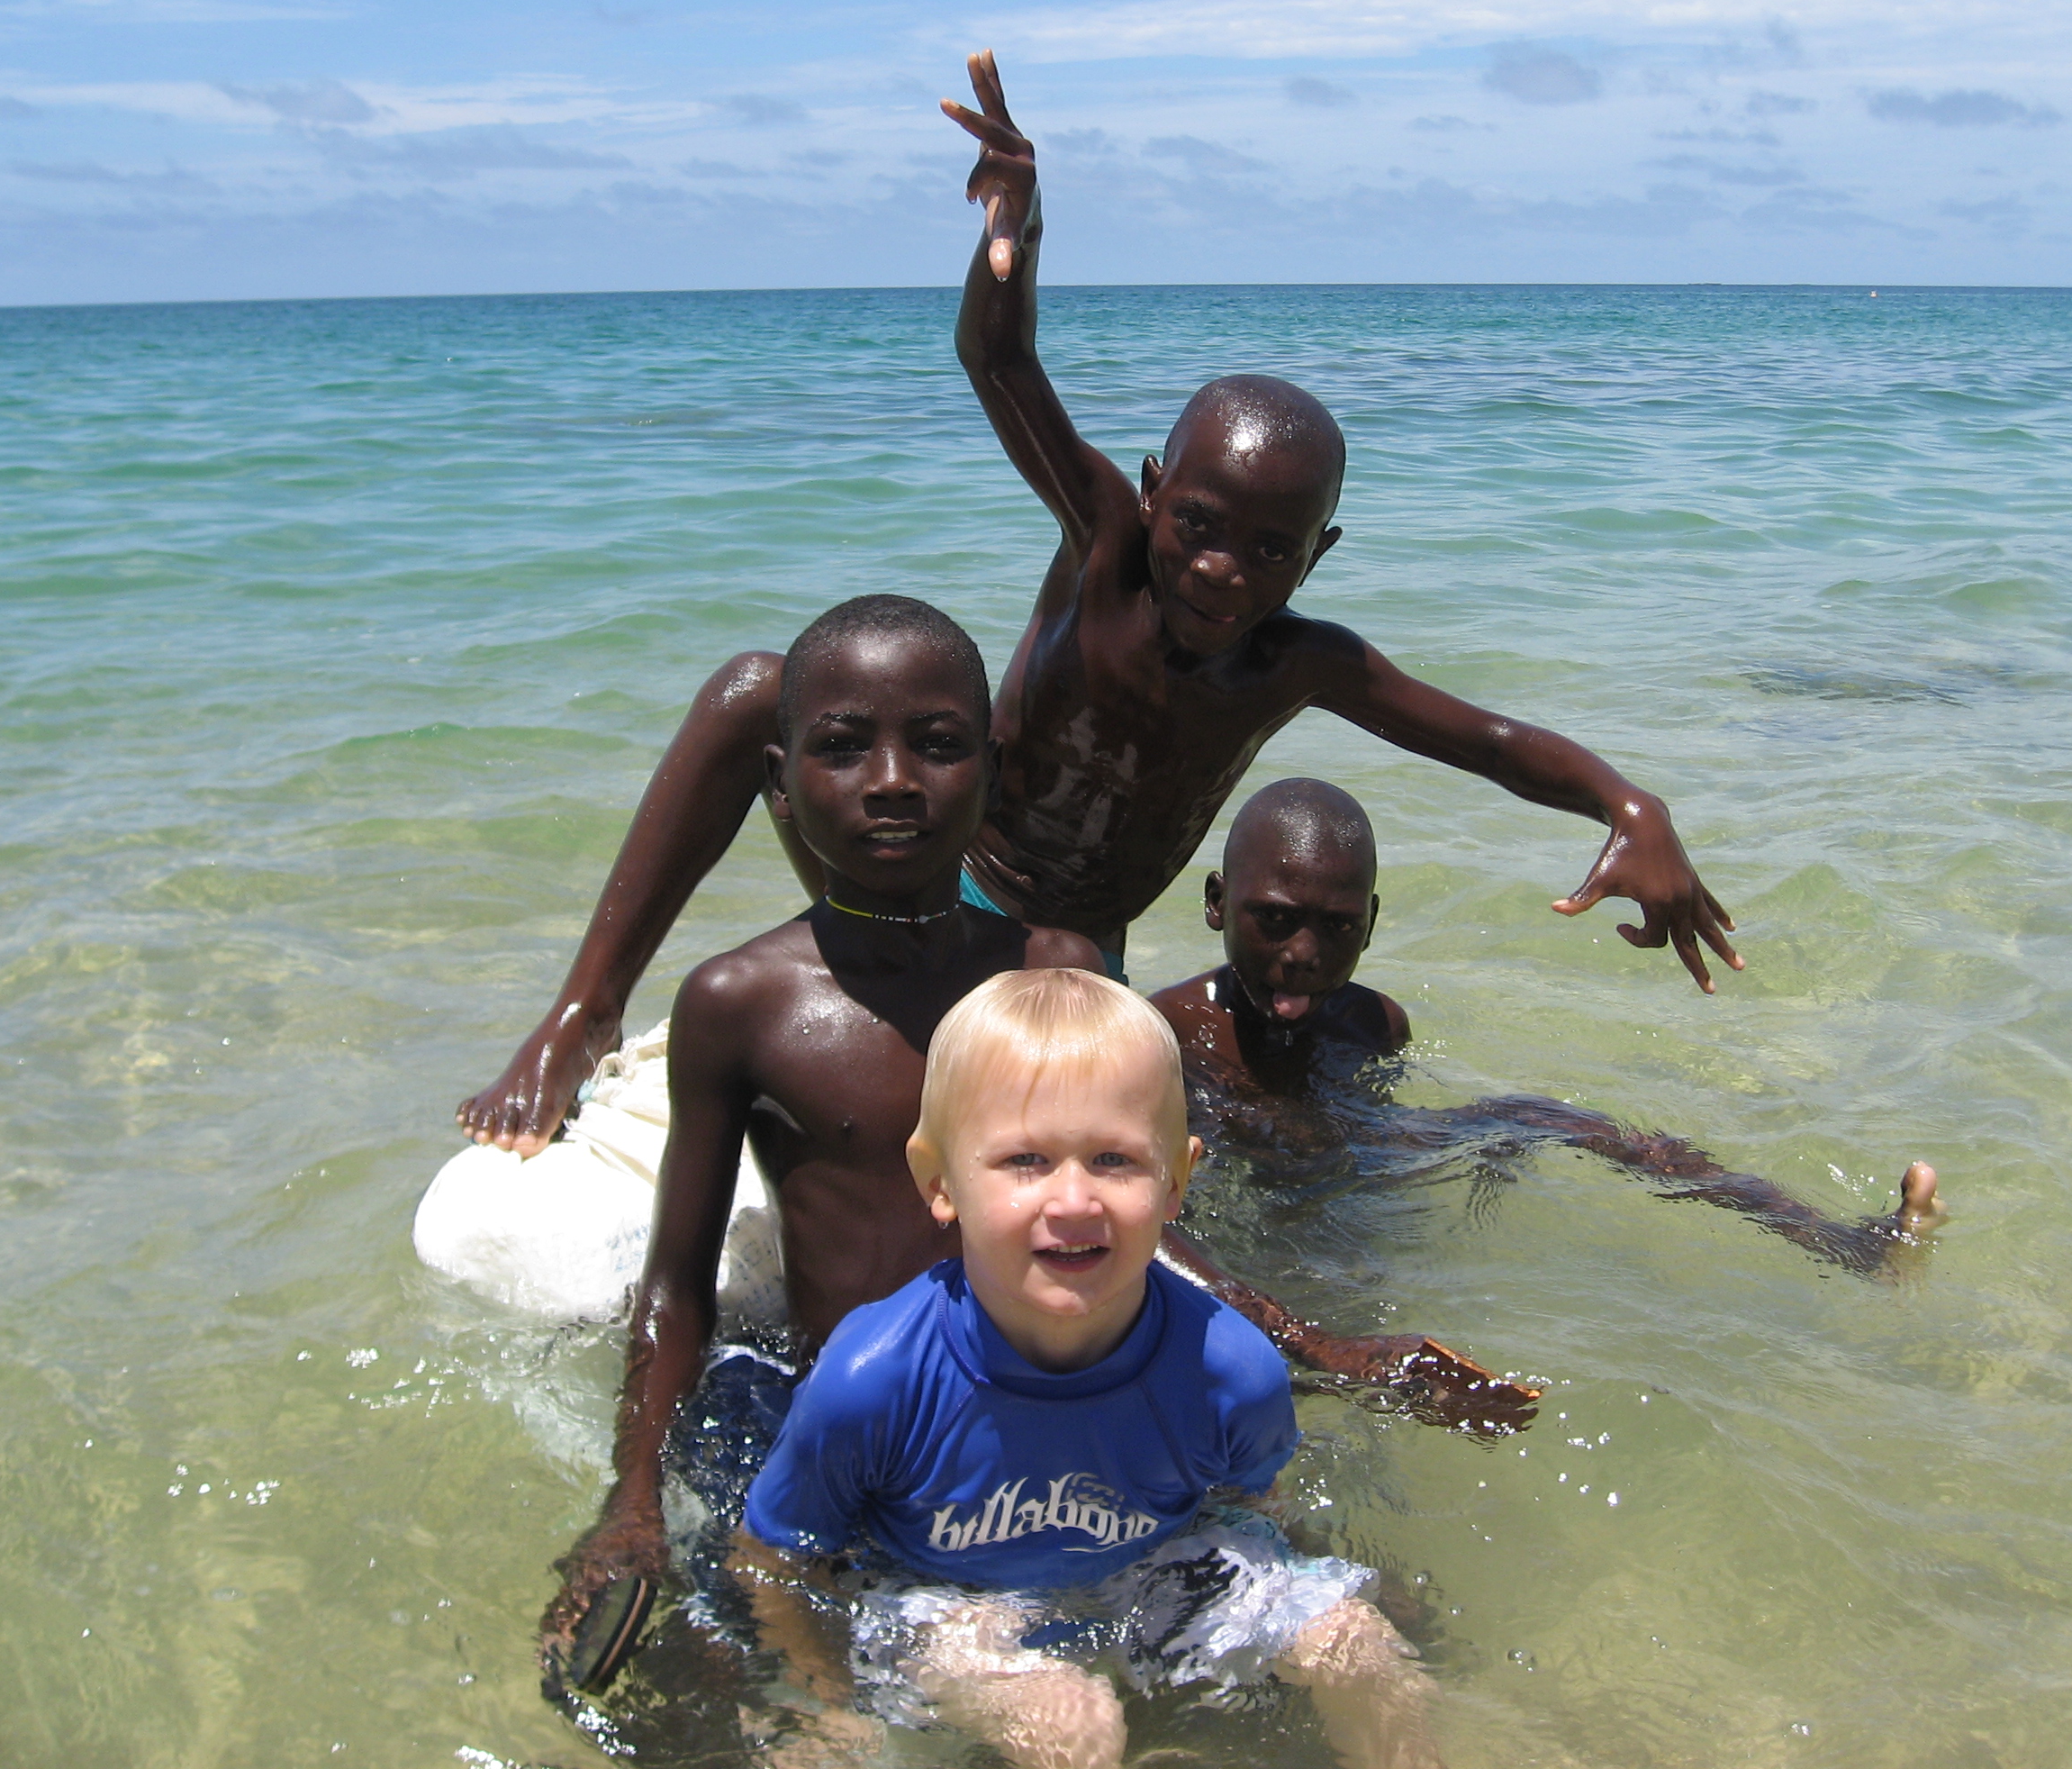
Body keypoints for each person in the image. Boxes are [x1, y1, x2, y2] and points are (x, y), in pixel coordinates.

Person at [455, 45, 1738, 1160]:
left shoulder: (1302, 665)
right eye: (1200, 527)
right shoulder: (1105, 543)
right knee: (755, 691)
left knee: (1069, 969)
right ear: (1149, 494)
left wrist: (1632, 806)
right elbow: (997, 358)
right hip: (935, 871)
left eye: (1269, 550)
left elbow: (1491, 741)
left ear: (1318, 555)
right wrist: (1020, 226)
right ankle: (583, 1012)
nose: (1221, 570)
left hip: (1063, 943)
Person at [540, 597, 1525, 1706]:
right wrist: (626, 1508)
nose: (894, 778)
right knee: (688, 1688)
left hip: (1072, 1396)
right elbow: (677, 1286)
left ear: (995, 769)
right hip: (875, 1429)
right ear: (779, 781)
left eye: (939, 743)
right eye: (841, 746)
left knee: (1378, 1645)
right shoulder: (743, 1003)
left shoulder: (1051, 971)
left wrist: (1321, 1350)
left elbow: (1125, 1214)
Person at [731, 966, 1442, 1769]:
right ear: (939, 1180)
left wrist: (1331, 1587)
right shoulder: (874, 1378)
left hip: (1147, 1571)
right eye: (1025, 1160)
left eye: (1113, 1159)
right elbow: (775, 1561)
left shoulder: (1231, 1372)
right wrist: (820, 1701)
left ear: (1175, 1178)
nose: (1073, 1201)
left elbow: (1251, 1516)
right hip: (943, 1602)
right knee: (1070, 1728)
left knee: (1355, 1647)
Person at [1152, 779, 1942, 1274]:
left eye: (1336, 928)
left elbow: (1364, 1137)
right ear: (1217, 902)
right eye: (1274, 920)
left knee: (1547, 1116)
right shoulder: (1162, 1033)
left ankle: (1835, 1239)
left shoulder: (1373, 1022)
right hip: (1227, 1217)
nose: (1303, 955)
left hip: (1338, 1196)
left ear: (1373, 924)